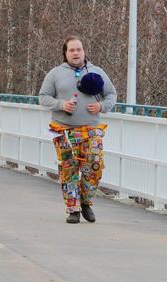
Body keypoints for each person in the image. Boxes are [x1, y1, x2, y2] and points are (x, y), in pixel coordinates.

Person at [38, 36, 117, 224]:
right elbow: (43, 97)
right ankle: (73, 209)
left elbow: (111, 94)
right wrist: (61, 104)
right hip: (63, 130)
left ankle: (86, 202)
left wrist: (101, 106)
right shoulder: (55, 74)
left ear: (84, 51)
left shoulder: (97, 71)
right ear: (65, 53)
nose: (76, 53)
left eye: (79, 49)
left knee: (94, 166)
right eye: (72, 50)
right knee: (69, 169)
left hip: (91, 129)